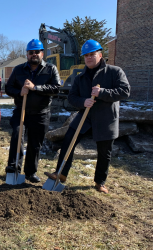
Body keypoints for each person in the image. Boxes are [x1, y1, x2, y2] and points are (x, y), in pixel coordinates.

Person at [44, 40, 130, 193]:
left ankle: (99, 182)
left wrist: (102, 92)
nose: (89, 58)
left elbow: (124, 91)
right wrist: (83, 101)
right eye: (86, 55)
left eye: (92, 54)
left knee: (104, 151)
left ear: (100, 55)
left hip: (106, 118)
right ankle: (61, 173)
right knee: (69, 139)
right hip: (86, 117)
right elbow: (72, 97)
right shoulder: (80, 77)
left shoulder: (114, 72)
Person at [5, 39, 61, 183]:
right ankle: (13, 168)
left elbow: (56, 88)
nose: (34, 54)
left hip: (41, 113)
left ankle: (30, 172)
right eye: (31, 52)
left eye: (37, 52)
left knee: (35, 143)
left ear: (42, 53)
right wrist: (19, 92)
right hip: (21, 111)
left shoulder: (50, 69)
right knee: (17, 137)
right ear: (27, 54)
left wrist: (36, 88)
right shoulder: (18, 70)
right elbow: (8, 88)